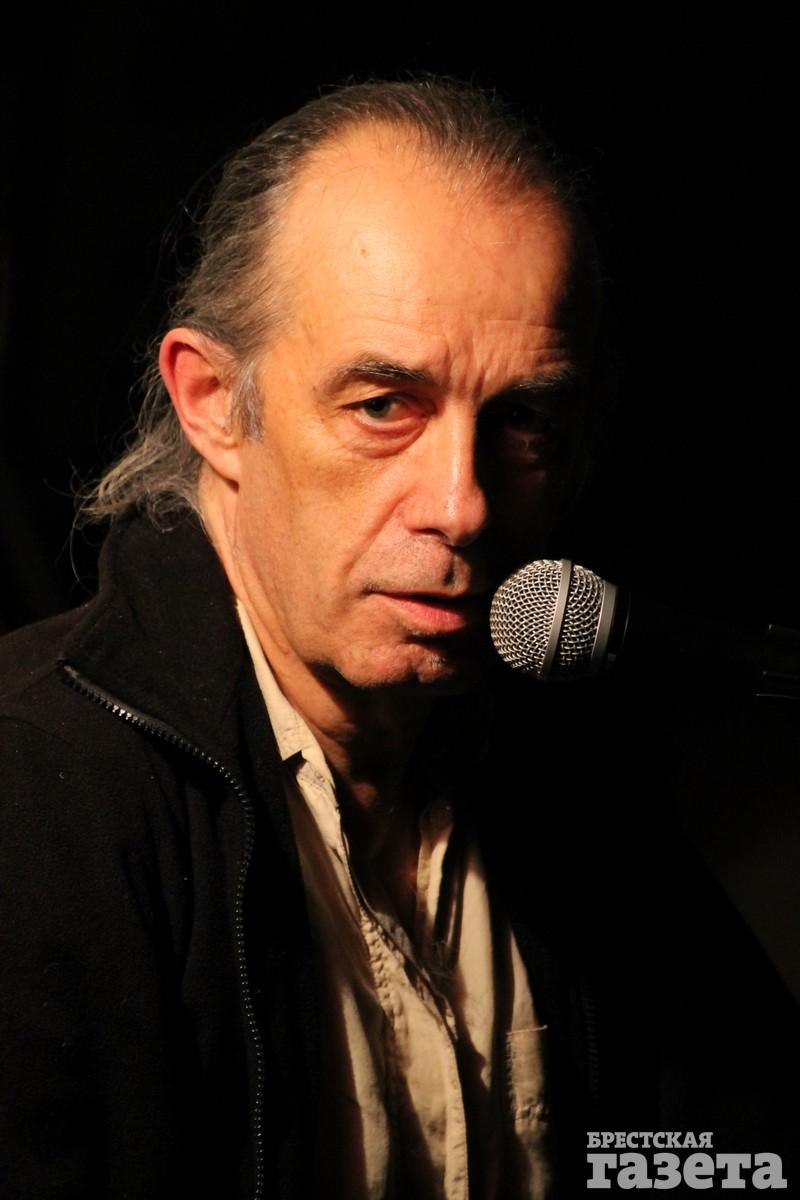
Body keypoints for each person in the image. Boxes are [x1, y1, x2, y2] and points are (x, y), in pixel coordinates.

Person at [1, 78, 798, 1200]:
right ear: (213, 401)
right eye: (384, 406)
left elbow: (743, 1156)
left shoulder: (576, 769)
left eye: (521, 422)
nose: (462, 505)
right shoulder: (34, 794)